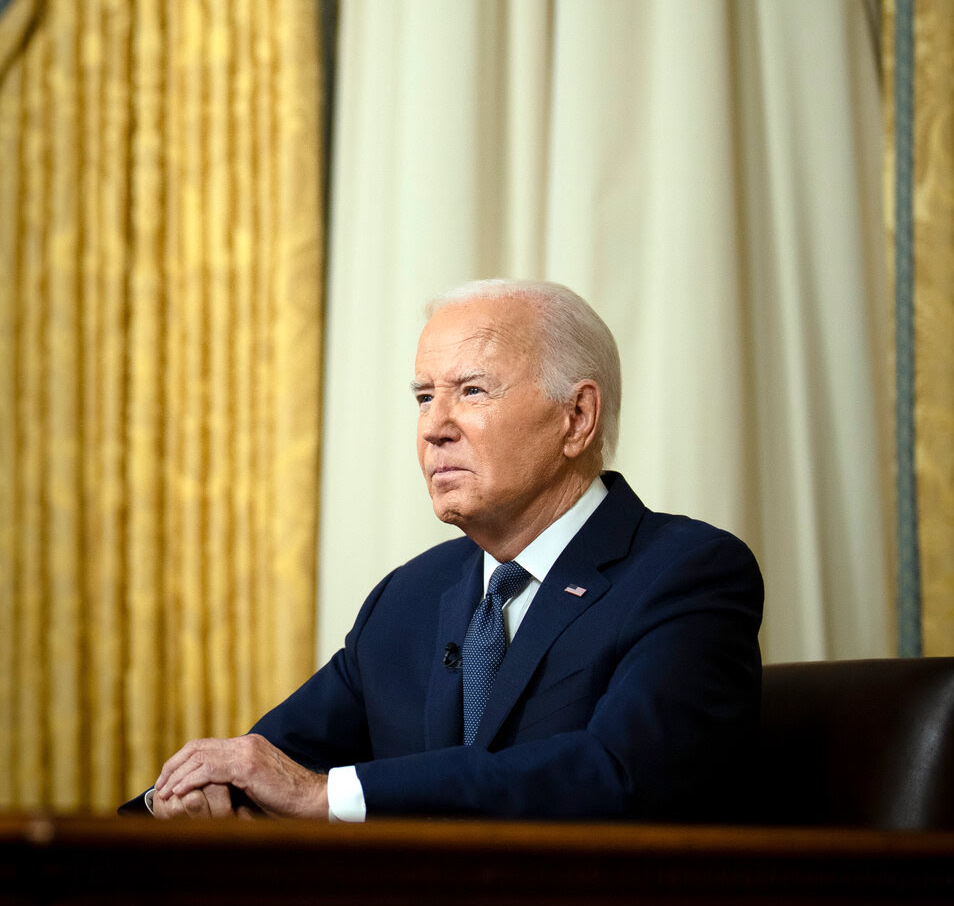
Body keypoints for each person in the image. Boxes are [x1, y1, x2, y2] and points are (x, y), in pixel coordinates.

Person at [124, 279, 763, 821]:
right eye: (425, 396)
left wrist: (329, 794)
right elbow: (267, 762)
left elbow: (618, 773)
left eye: (472, 391)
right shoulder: (411, 596)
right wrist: (181, 799)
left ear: (577, 418)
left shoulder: (687, 572)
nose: (434, 427)